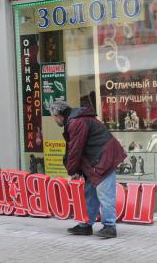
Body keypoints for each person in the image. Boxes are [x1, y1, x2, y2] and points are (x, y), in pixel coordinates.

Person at [49, 101, 126, 238]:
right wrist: (76, 170)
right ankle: (86, 225)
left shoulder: (76, 122)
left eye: (53, 117)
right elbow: (75, 148)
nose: (54, 120)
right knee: (90, 193)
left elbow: (75, 149)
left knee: (105, 193)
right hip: (95, 161)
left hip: (103, 159)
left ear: (59, 115)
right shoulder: (75, 120)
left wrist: (72, 171)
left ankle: (109, 227)